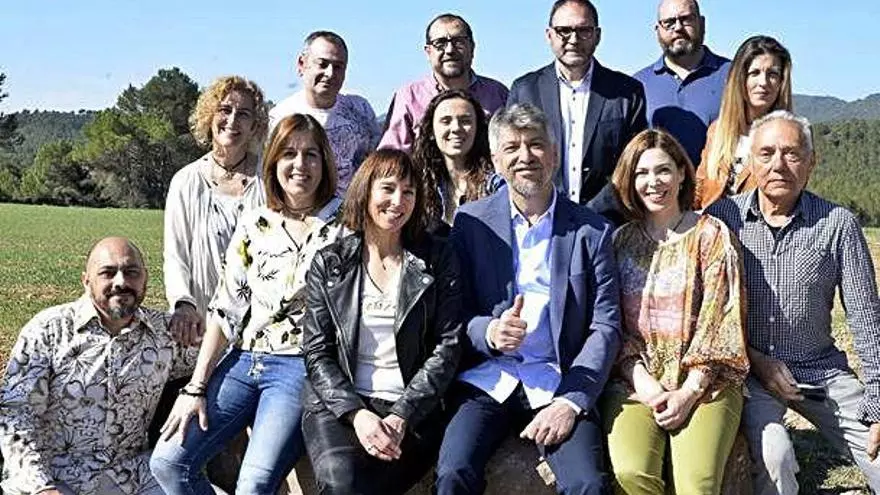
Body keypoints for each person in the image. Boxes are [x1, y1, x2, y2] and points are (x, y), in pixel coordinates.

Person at [150, 114, 347, 494]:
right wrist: (196, 387)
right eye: (289, 153)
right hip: (243, 361)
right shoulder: (255, 223)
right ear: (273, 162)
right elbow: (226, 308)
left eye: (311, 154)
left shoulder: (345, 224)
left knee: (253, 484)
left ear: (325, 162)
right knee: (169, 462)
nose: (300, 164)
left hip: (300, 367)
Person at [436, 103, 621, 494]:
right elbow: (453, 313)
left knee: (588, 484)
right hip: (489, 378)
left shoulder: (592, 231)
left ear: (554, 154)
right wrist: (489, 331)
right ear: (496, 160)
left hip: (560, 379)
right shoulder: (470, 222)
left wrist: (571, 401)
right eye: (512, 147)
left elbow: (605, 326)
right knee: (453, 473)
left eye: (536, 144)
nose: (525, 156)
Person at [706, 111, 880, 494]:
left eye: (792, 153)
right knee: (776, 457)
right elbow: (710, 319)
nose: (778, 165)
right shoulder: (723, 219)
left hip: (822, 372)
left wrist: (878, 399)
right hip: (749, 375)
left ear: (811, 162)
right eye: (766, 153)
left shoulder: (838, 224)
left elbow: (867, 321)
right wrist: (757, 360)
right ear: (751, 161)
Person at [301, 148, 462, 494]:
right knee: (340, 483)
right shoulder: (330, 264)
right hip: (341, 405)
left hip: (413, 408)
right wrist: (357, 415)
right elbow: (316, 353)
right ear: (365, 191)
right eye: (387, 188)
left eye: (408, 191)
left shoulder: (437, 257)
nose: (398, 201)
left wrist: (403, 414)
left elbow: (447, 346)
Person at [603, 128, 749, 494]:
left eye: (663, 170)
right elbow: (613, 324)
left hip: (707, 384)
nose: (653, 182)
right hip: (637, 382)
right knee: (631, 472)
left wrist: (688, 392)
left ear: (682, 173)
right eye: (642, 173)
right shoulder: (621, 241)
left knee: (696, 485)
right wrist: (645, 383)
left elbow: (721, 322)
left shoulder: (711, 235)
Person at [0, 237, 197, 495]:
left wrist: (196, 391)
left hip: (131, 477)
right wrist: (41, 487)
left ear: (145, 279)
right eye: (108, 272)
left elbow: (223, 357)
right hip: (55, 477)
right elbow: (16, 414)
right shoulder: (48, 330)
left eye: (131, 272)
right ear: (86, 280)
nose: (121, 282)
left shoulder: (167, 334)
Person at [507, 0, 647, 222]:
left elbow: (631, 162)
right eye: (564, 30)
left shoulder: (627, 92)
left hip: (608, 222)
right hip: (542, 220)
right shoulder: (525, 90)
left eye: (584, 31)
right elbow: (514, 159)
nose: (573, 39)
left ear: (597, 36)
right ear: (549, 35)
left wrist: (592, 213)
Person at [163, 75, 268, 342]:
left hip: (260, 329)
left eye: (243, 114)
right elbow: (175, 255)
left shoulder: (270, 178)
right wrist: (183, 303)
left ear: (255, 125)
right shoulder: (185, 181)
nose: (232, 120)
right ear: (209, 116)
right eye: (224, 110)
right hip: (201, 325)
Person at [269, 31, 380, 195]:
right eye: (322, 64)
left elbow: (376, 162)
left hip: (352, 207)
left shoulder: (361, 109)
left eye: (338, 67)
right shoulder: (280, 117)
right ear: (302, 64)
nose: (330, 73)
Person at [379, 13, 509, 153]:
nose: (450, 50)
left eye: (458, 41)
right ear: (428, 52)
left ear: (472, 48)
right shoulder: (408, 98)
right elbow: (392, 157)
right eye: (440, 43)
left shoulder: (498, 94)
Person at [694, 35, 792, 209]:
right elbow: (699, 190)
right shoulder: (717, 131)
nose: (763, 82)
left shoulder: (791, 139)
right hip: (711, 223)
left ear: (781, 82)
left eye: (772, 74)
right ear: (740, 78)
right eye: (754, 73)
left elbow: (787, 202)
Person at [633, 0, 731, 166]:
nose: (678, 27)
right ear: (657, 30)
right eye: (669, 22)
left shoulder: (734, 75)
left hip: (721, 181)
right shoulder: (638, 85)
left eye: (686, 19)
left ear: (702, 23)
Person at [412, 89, 493, 227]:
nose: (456, 128)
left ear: (478, 128)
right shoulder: (418, 185)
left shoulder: (495, 184)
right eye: (446, 121)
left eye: (465, 121)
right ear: (431, 131)